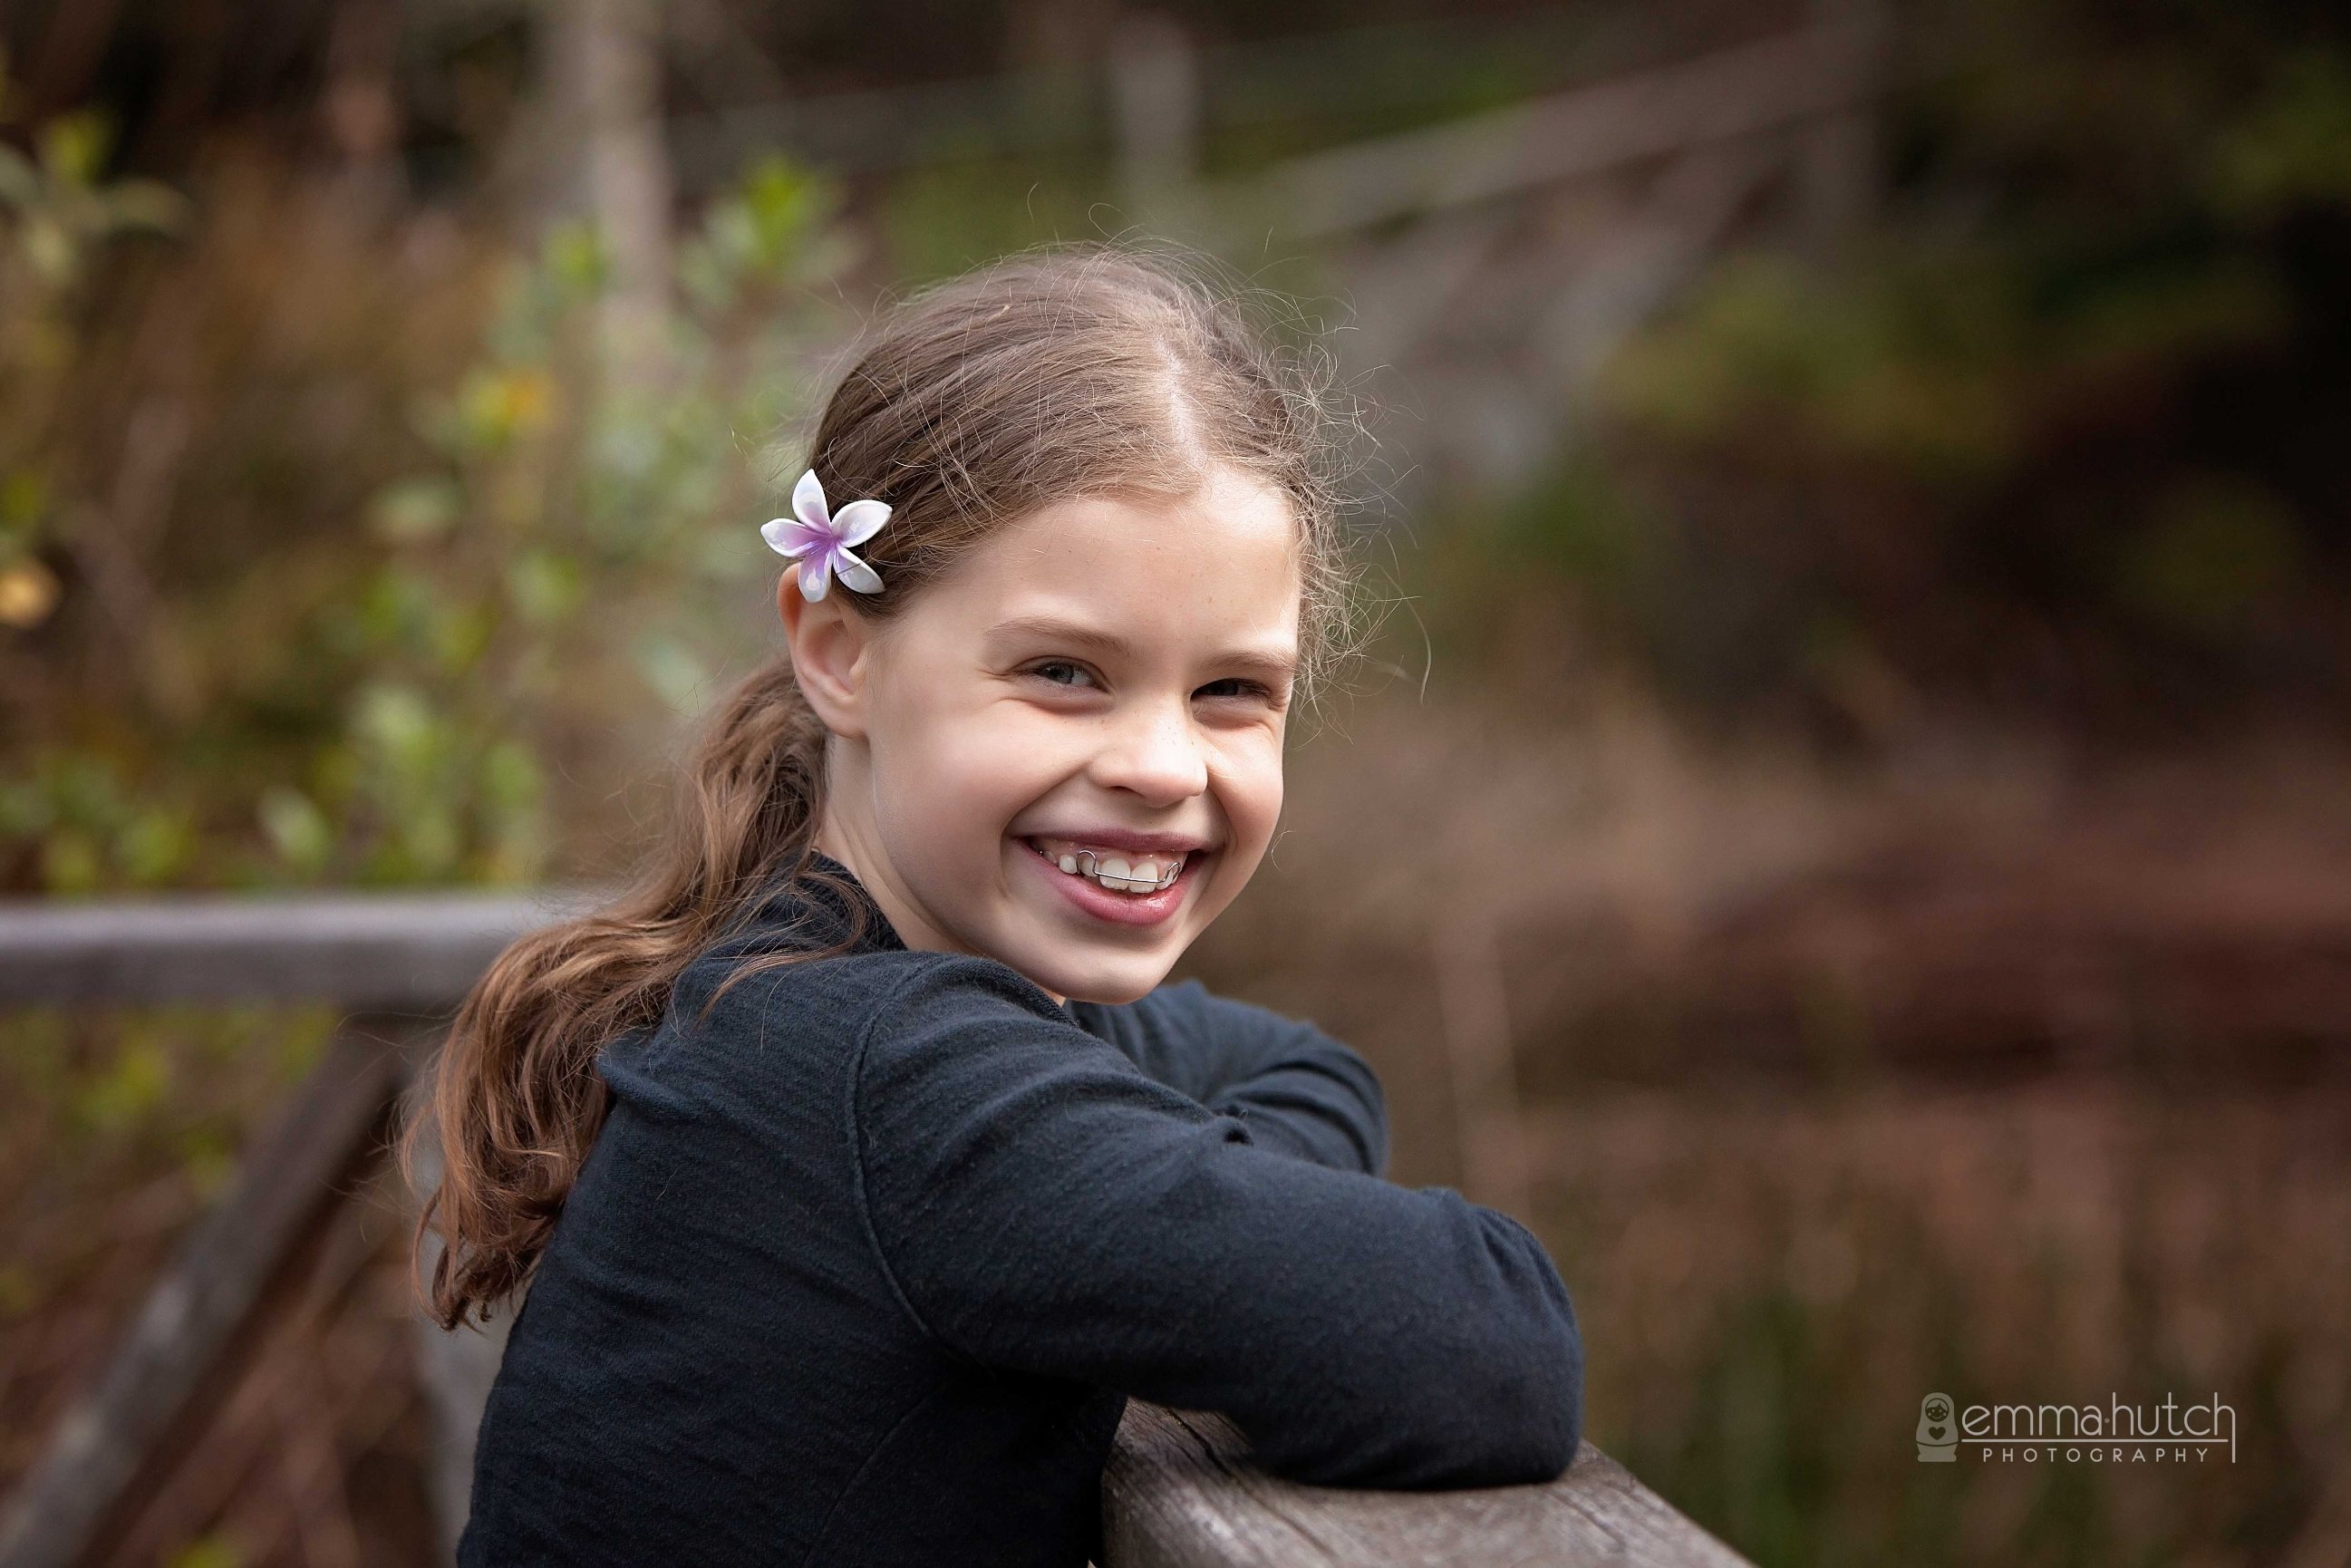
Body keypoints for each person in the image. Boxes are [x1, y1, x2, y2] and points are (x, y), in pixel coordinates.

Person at [411, 242, 1583, 1567]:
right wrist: (1198, 1229)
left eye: (1231, 692)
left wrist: (1164, 1214)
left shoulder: (799, 991)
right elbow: (1495, 1337)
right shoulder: (884, 1079)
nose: (1159, 763)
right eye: (1063, 671)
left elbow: (1304, 1064)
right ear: (839, 652)